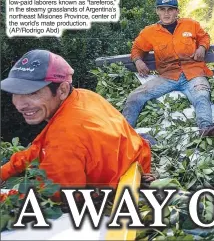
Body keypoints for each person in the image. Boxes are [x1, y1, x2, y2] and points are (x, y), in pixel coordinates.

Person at [0, 49, 153, 196]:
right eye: (16, 93)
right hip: (135, 163)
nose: (20, 105)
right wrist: (5, 171)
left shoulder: (64, 137)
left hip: (119, 193)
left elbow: (53, 195)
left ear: (62, 90)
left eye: (33, 93)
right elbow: (40, 147)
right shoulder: (83, 96)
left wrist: (5, 197)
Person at [122, 0, 214, 140]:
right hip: (167, 77)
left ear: (177, 11)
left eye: (170, 9)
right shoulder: (150, 32)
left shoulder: (191, 24)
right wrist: (138, 61)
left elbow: (204, 37)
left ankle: (206, 129)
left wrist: (202, 47)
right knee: (135, 96)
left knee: (201, 96)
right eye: (162, 9)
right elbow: (137, 48)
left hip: (193, 73)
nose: (166, 13)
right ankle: (123, 133)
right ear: (157, 11)